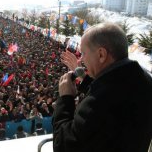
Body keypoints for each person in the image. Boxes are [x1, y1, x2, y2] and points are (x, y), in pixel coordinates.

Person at [53, 22, 152, 152]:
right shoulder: (143, 78)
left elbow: (64, 146)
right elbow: (115, 89)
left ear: (101, 54)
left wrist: (65, 99)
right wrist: (85, 79)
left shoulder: (98, 102)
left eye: (83, 53)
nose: (82, 59)